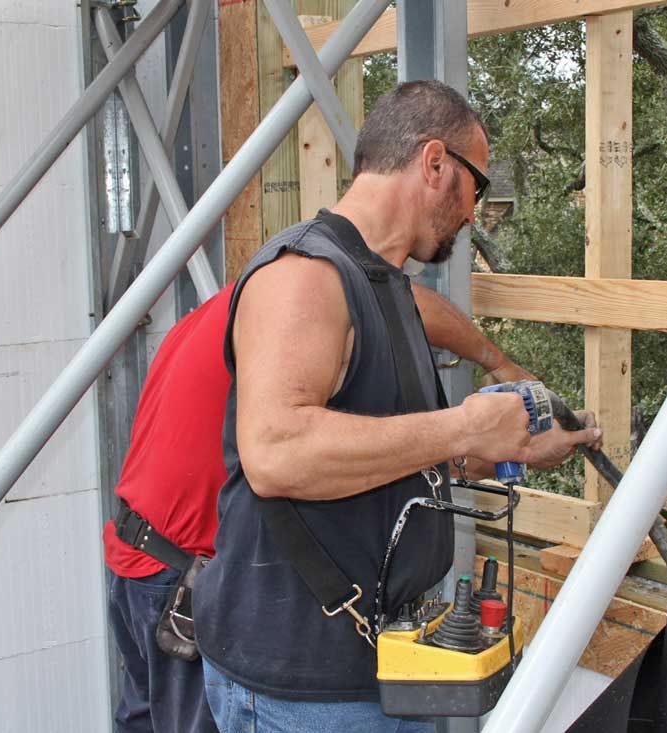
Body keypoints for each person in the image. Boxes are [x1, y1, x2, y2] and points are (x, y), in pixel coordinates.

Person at [191, 80, 602, 733]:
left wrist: (502, 448)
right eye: (476, 186)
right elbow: (275, 452)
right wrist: (465, 422)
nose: (475, 212)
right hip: (301, 689)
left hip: (378, 670)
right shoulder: (305, 274)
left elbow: (394, 451)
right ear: (434, 163)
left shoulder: (389, 290)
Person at [103, 283, 589, 731]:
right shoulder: (301, 299)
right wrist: (500, 365)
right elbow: (412, 305)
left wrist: (507, 449)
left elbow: (383, 460)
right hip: (181, 586)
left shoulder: (236, 308)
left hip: (140, 564)